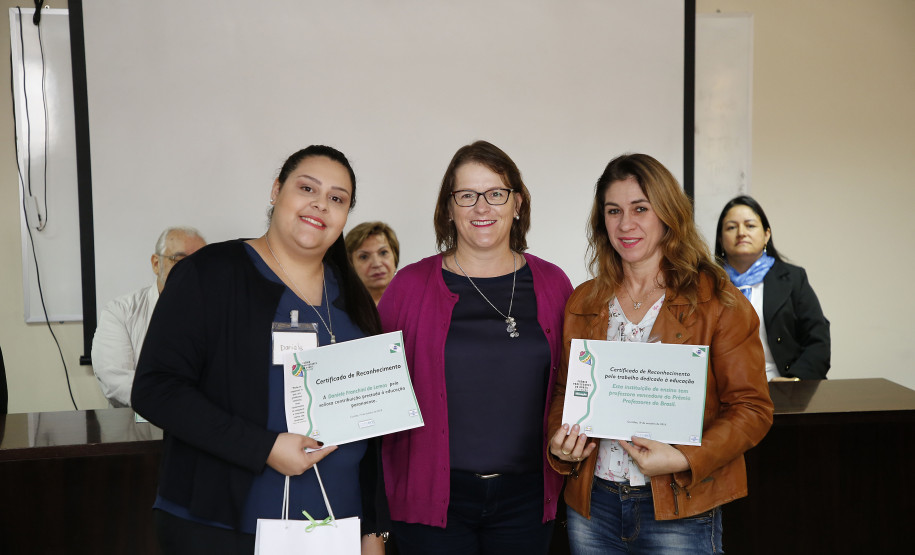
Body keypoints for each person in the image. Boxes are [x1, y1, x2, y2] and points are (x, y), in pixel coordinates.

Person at [131, 146, 387, 554]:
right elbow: (156, 389)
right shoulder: (210, 273)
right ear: (276, 190)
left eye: (337, 198)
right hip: (220, 527)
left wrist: (372, 532)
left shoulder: (353, 297)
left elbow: (370, 428)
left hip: (335, 527)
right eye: (307, 188)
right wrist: (263, 447)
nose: (321, 204)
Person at [547, 154, 774, 554]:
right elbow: (565, 392)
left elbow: (752, 409)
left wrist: (684, 458)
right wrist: (560, 445)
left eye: (640, 209)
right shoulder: (584, 300)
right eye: (613, 211)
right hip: (593, 505)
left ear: (668, 214)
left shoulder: (718, 300)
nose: (625, 224)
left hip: (680, 507)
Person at [378, 140, 572, 555]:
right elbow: (372, 392)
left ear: (517, 203)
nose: (481, 207)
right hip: (431, 501)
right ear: (449, 208)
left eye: (496, 193)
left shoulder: (555, 284)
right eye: (466, 195)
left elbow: (570, 386)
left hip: (528, 500)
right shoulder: (408, 287)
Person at [715, 195, 830, 381]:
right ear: (720, 239)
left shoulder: (793, 278)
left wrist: (795, 380)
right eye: (731, 227)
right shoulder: (707, 283)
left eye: (750, 225)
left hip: (781, 385)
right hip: (723, 387)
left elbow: (818, 339)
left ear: (766, 235)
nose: (741, 233)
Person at [91, 226, 206, 407]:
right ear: (156, 263)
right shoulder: (120, 312)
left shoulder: (221, 312)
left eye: (200, 263)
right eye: (179, 260)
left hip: (204, 418)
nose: (191, 270)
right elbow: (116, 380)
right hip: (140, 418)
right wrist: (178, 404)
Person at [345, 221, 400, 304]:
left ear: (395, 258)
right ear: (351, 265)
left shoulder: (416, 301)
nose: (376, 264)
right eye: (364, 257)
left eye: (383, 253)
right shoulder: (339, 309)